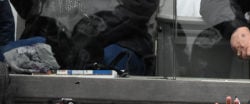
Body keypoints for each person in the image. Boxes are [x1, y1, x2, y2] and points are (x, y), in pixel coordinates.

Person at [9, 0, 158, 75]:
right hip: (53, 35)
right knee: (6, 59)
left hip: (115, 41)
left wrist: (89, 30)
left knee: (104, 69)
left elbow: (139, 6)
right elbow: (29, 9)